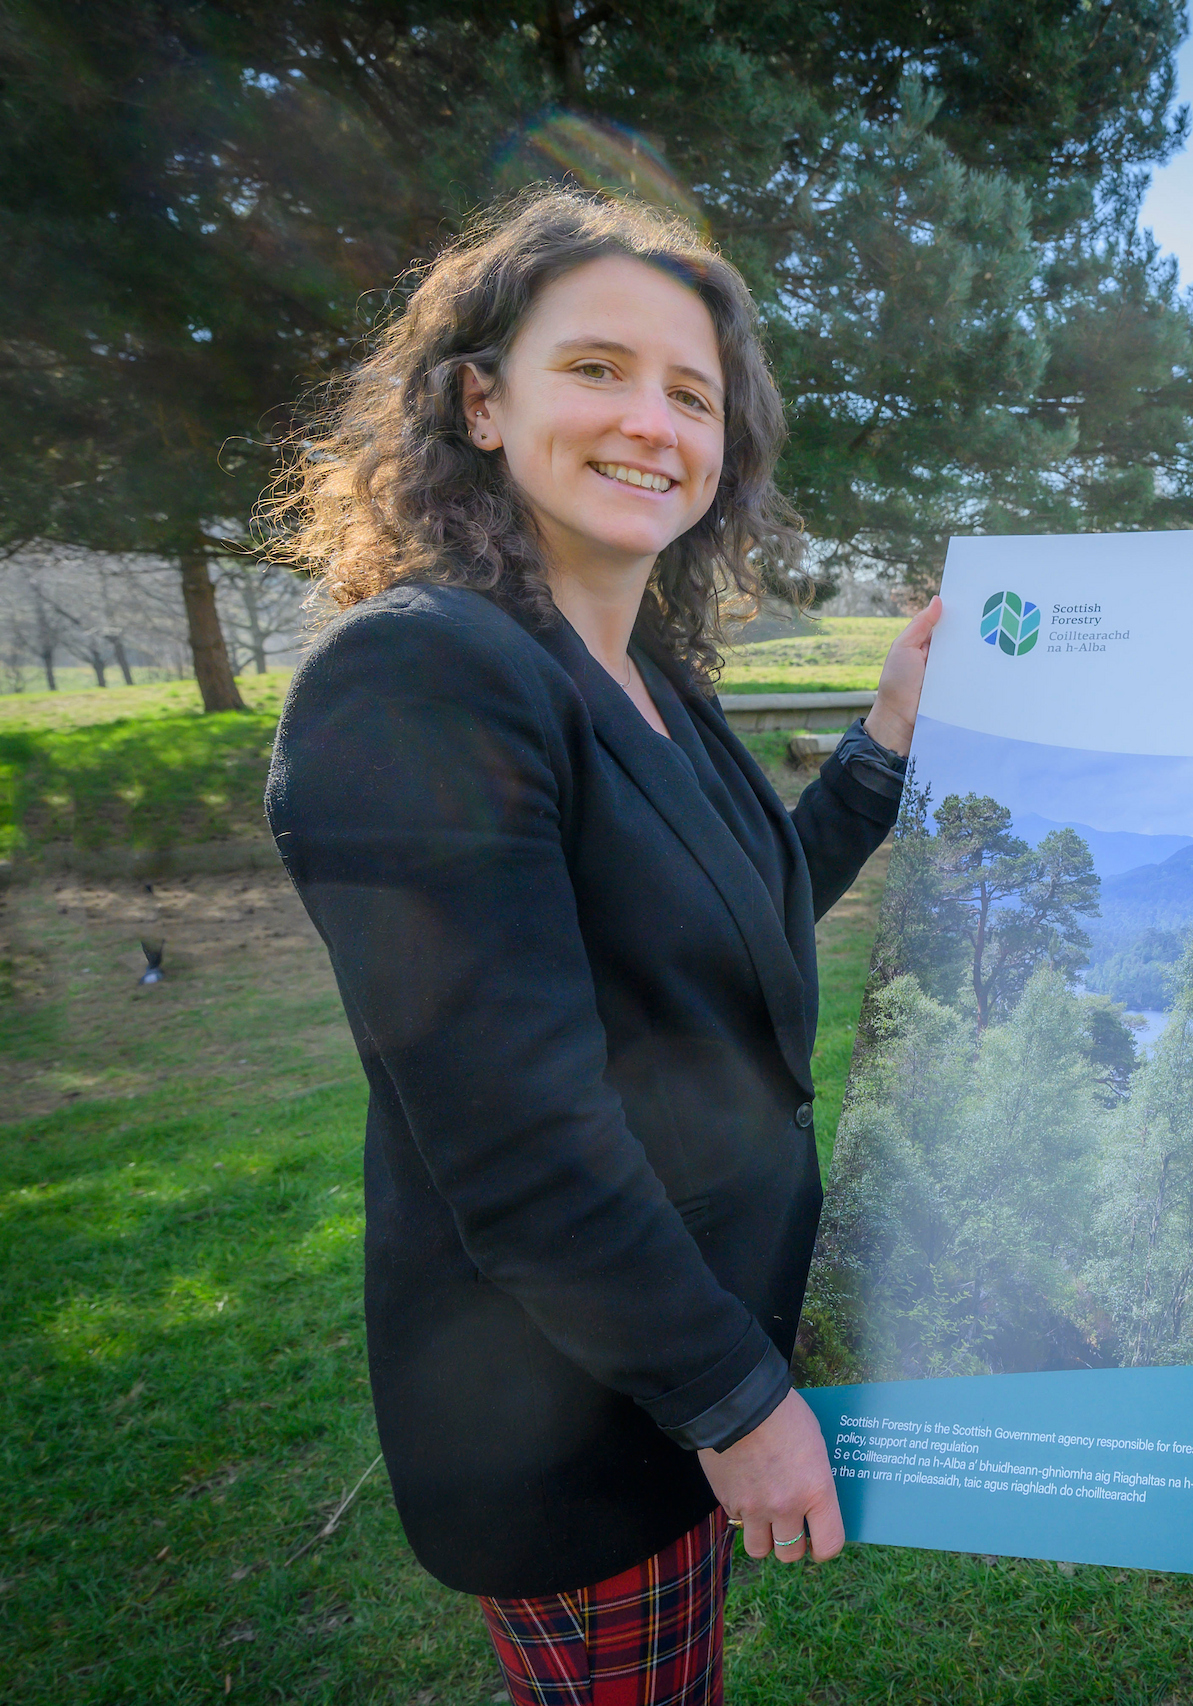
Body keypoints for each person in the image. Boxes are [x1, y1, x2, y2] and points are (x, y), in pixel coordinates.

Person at [262, 188, 938, 1705]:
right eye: (596, 369)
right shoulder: (420, 678)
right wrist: (735, 1399)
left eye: (692, 394)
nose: (652, 421)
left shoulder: (652, 682)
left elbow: (738, 914)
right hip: (569, 1407)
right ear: (480, 402)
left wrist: (885, 737)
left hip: (680, 1357)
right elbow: (517, 1136)